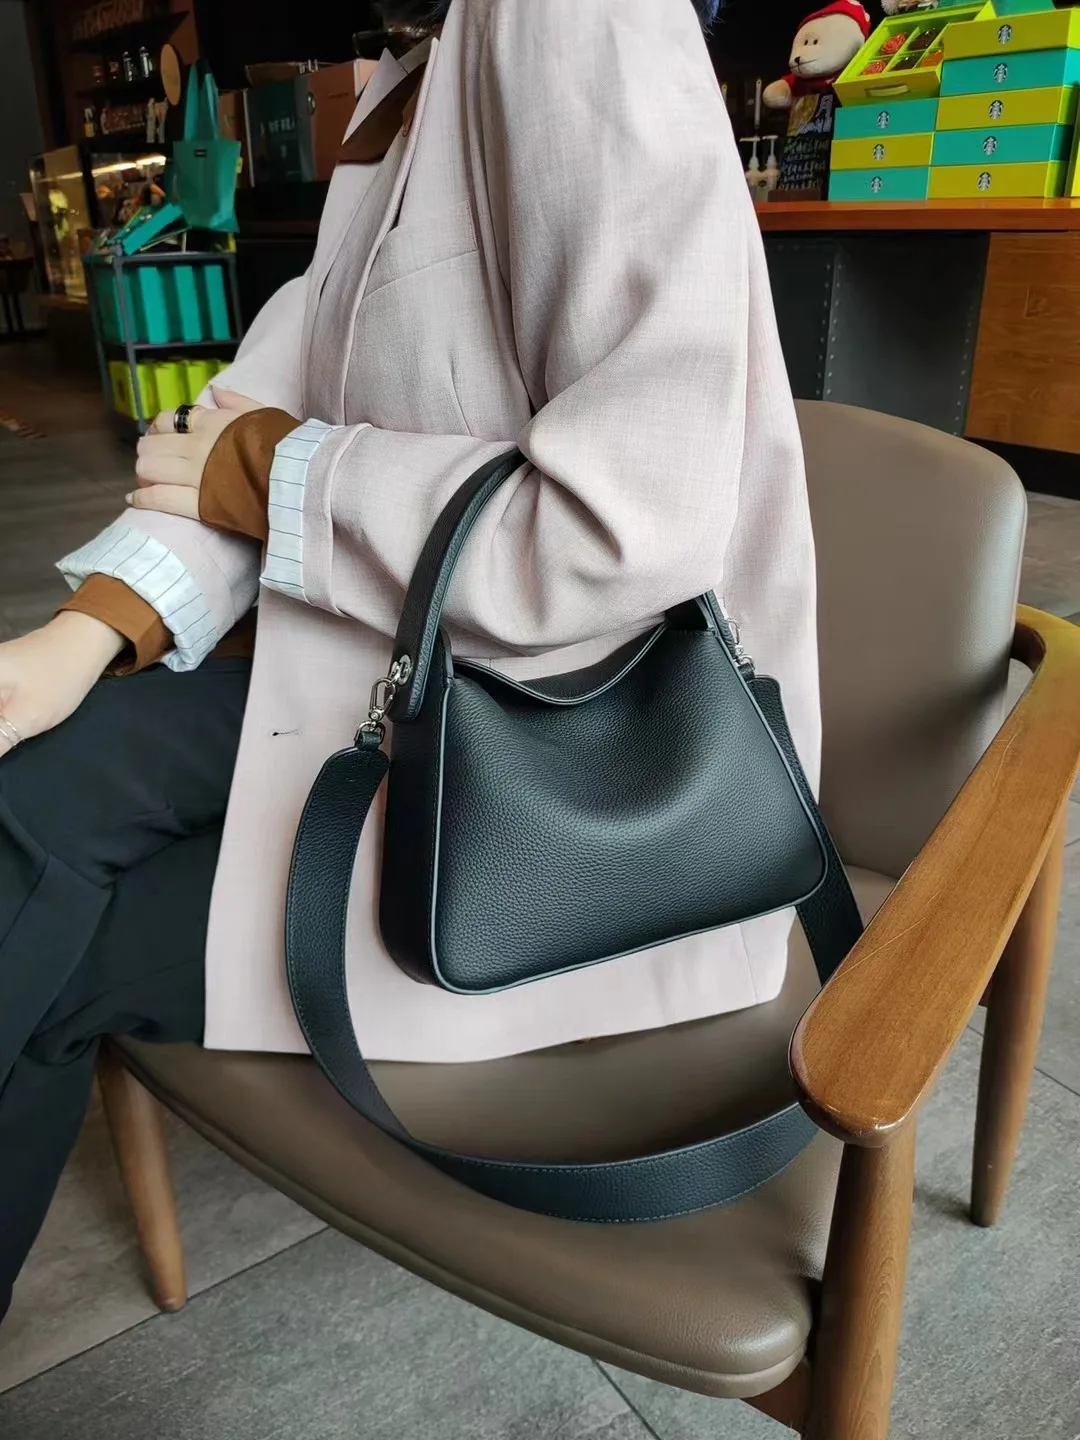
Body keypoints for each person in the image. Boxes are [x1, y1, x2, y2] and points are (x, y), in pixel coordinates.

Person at [0, 0, 820, 1318]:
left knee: (54, 930)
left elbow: (627, 522)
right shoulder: (415, 68)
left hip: (574, 799)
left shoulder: (574, 20)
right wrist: (79, 637)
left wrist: (277, 475)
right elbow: (244, 424)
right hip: (403, 676)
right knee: (34, 798)